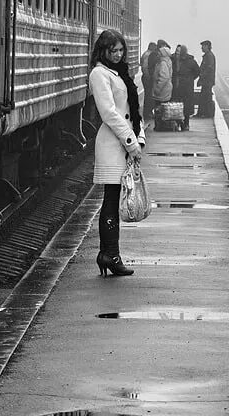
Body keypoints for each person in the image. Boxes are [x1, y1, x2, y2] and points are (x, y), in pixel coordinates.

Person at [88, 29, 145, 277]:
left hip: (123, 144)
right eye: (113, 51)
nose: (118, 54)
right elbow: (109, 113)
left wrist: (139, 138)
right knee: (111, 200)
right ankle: (110, 255)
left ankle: (109, 254)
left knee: (114, 199)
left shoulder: (119, 73)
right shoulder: (99, 74)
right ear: (104, 51)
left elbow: (133, 109)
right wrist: (131, 141)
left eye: (121, 50)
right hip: (112, 145)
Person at [171, 44, 201, 131]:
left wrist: (190, 79)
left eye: (178, 51)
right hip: (175, 86)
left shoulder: (190, 61)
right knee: (176, 106)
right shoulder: (172, 60)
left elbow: (197, 71)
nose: (176, 53)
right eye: (176, 51)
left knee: (186, 106)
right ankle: (178, 123)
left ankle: (186, 123)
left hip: (186, 87)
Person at [150, 41, 174, 130]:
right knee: (163, 108)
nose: (158, 54)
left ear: (163, 54)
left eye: (160, 52)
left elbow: (164, 77)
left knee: (159, 108)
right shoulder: (167, 61)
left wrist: (157, 88)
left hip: (162, 90)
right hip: (166, 88)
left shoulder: (163, 63)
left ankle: (160, 126)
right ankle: (163, 126)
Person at [139, 39, 161, 116]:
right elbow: (145, 66)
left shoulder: (145, 53)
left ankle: (147, 111)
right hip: (147, 77)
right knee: (149, 95)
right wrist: (149, 77)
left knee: (147, 95)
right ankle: (148, 112)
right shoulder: (149, 55)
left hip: (145, 76)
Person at [195, 40, 217, 118]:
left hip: (207, 81)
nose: (201, 48)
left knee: (206, 97)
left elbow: (208, 69)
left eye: (203, 46)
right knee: (204, 96)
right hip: (206, 81)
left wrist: (201, 76)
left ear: (207, 46)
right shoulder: (208, 56)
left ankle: (205, 114)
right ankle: (202, 113)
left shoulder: (209, 56)